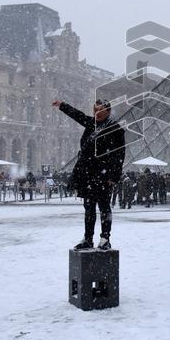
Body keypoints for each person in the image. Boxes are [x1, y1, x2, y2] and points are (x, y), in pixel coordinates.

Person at [53, 98, 126, 250]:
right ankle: (88, 238)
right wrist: (62, 105)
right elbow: (77, 115)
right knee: (89, 207)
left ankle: (105, 238)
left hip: (103, 175)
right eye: (95, 110)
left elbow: (119, 154)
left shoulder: (115, 128)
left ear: (108, 111)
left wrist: (113, 177)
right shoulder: (91, 123)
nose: (97, 113)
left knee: (104, 207)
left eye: (100, 110)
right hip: (87, 173)